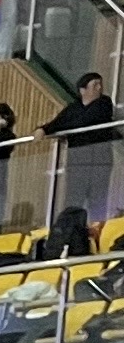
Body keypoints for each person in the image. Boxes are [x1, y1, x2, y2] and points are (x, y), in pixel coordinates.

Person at [50, 73, 119, 230]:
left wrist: (68, 128)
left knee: (98, 201)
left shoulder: (104, 103)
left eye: (100, 84)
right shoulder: (73, 108)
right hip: (77, 163)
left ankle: (98, 233)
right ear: (83, 90)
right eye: (95, 85)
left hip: (100, 162)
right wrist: (42, 129)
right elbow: (56, 123)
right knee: (74, 201)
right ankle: (71, 234)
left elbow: (89, 119)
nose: (99, 88)